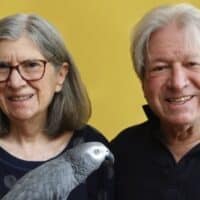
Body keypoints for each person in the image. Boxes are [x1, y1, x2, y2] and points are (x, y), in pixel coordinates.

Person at [0, 13, 113, 200]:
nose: (15, 82)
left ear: (60, 75)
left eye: (31, 65)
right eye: (2, 67)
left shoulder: (91, 144)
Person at [111, 3, 200, 200]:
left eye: (192, 64)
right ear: (143, 82)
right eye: (160, 68)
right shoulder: (121, 152)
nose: (177, 83)